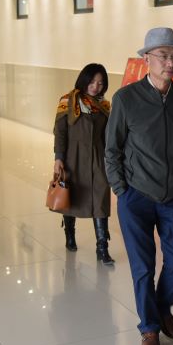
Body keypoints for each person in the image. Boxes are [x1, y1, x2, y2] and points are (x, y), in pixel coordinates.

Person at [104, 27, 173, 345]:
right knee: (143, 266)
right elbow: (111, 149)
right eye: (163, 56)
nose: (171, 63)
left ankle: (162, 307)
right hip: (136, 196)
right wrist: (121, 190)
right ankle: (150, 328)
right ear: (146, 59)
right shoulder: (126, 99)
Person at [52, 63, 114, 266]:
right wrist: (58, 158)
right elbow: (60, 132)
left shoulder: (104, 106)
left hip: (98, 157)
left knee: (100, 197)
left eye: (100, 83)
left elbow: (109, 135)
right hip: (73, 157)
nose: (96, 86)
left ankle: (102, 247)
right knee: (71, 196)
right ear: (84, 80)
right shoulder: (67, 101)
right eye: (92, 82)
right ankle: (70, 234)